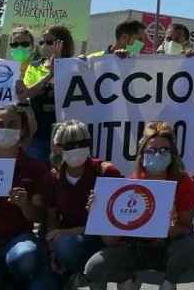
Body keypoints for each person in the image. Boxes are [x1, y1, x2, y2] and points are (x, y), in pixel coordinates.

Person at [84, 121, 194, 290]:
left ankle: (169, 283)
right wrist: (99, 213)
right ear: (142, 154)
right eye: (151, 150)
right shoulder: (130, 185)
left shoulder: (185, 183)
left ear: (172, 154)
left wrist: (167, 228)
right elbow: (111, 241)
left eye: (163, 150)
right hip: (135, 248)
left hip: (166, 247)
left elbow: (186, 227)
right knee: (94, 267)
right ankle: (128, 278)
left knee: (189, 246)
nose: (157, 155)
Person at [0, 104, 56, 289]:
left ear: (22, 130)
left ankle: (13, 278)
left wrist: (25, 205)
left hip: (17, 240)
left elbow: (39, 215)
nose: (5, 128)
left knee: (27, 259)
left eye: (12, 124)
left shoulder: (35, 168)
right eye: (0, 124)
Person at [44, 120, 122, 286]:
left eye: (83, 143)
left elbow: (115, 222)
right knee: (61, 245)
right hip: (72, 242)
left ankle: (92, 275)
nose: (77, 149)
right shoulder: (53, 177)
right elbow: (51, 216)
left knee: (64, 241)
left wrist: (69, 232)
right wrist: (52, 251)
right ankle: (81, 274)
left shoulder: (106, 172)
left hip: (105, 239)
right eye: (70, 145)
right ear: (58, 147)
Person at [18, 25, 76, 163]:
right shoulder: (34, 66)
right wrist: (50, 74)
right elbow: (27, 93)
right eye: (42, 42)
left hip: (66, 136)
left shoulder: (76, 65)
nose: (44, 46)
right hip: (38, 134)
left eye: (49, 42)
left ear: (63, 43)